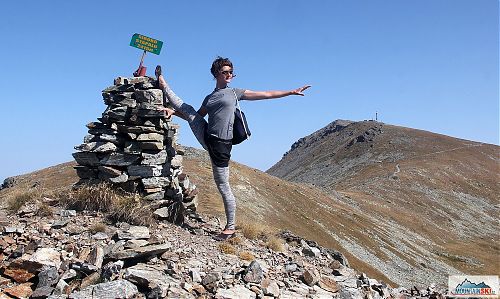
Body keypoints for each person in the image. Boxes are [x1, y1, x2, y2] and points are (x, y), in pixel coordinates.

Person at [156, 57, 310, 241]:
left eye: (231, 72)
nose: (229, 75)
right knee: (188, 110)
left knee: (223, 186)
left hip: (222, 145)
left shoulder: (235, 93)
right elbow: (196, 116)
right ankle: (163, 83)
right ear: (216, 74)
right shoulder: (210, 97)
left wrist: (290, 92)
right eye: (225, 72)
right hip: (207, 136)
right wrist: (174, 112)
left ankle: (230, 228)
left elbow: (266, 94)